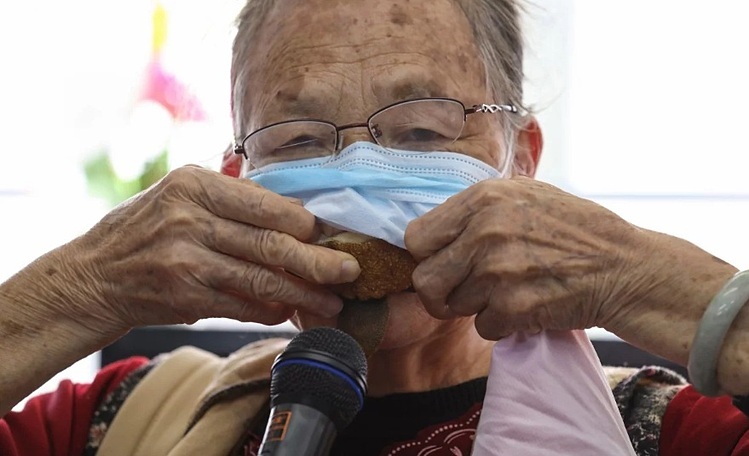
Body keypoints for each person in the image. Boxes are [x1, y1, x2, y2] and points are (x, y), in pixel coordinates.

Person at [1, 0, 748, 454]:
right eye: (296, 140)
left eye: (422, 132)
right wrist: (82, 290)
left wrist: (657, 285)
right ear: (235, 185)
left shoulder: (671, 434)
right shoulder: (128, 419)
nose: (358, 174)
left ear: (519, 163)